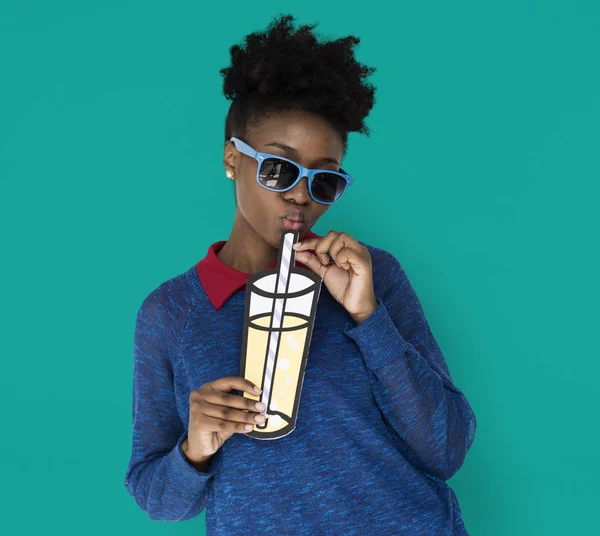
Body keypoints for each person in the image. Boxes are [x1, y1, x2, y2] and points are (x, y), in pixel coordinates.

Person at [123, 13, 477, 535]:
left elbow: (446, 447)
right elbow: (157, 498)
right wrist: (192, 449)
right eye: (278, 168)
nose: (299, 195)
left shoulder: (371, 277)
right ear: (231, 159)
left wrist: (367, 314)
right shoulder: (171, 313)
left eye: (324, 181)